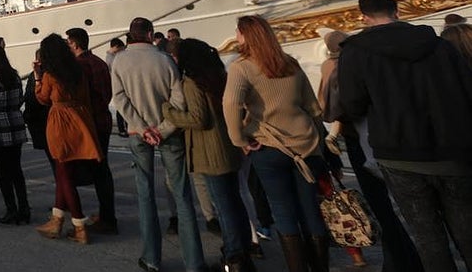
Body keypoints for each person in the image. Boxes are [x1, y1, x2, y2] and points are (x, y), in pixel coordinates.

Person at [339, 0, 472, 272]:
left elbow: (352, 104)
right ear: (397, 11)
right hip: (451, 149)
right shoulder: (438, 45)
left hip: (398, 152)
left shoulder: (355, 52)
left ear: (363, 17)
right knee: (467, 231)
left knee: (428, 238)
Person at [223, 15, 330, 272]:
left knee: (283, 212)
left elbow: (230, 104)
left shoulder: (242, 67)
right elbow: (313, 107)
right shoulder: (289, 63)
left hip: (268, 146)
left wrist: (240, 140)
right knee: (310, 211)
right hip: (305, 145)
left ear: (245, 36)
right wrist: (321, 146)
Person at [320, 29, 422, 272]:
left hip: (360, 142)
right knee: (407, 203)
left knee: (381, 206)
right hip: (394, 137)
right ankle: (405, 257)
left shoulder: (333, 67)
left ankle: (399, 259)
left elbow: (330, 109)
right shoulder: (374, 61)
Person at [112, 17, 207, 272]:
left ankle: (152, 258)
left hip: (137, 133)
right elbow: (179, 102)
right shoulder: (165, 60)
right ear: (151, 34)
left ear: (130, 35)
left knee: (145, 195)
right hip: (169, 133)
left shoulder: (119, 61)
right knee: (182, 195)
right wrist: (162, 130)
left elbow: (120, 99)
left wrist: (143, 129)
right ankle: (195, 263)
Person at [164, 39, 254, 272]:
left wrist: (168, 111)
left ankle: (234, 258)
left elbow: (197, 119)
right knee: (234, 202)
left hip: (210, 152)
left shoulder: (193, 84)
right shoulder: (219, 75)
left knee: (224, 206)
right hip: (228, 146)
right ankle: (244, 249)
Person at [32, 33, 102, 245]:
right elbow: (87, 97)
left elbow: (43, 98)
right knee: (65, 173)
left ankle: (79, 226)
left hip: (60, 123)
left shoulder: (50, 75)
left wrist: (37, 77)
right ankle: (57, 220)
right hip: (80, 120)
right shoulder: (78, 70)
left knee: (64, 174)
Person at [65, 27, 117, 234]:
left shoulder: (79, 66)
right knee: (103, 169)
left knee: (95, 171)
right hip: (103, 119)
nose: (68, 47)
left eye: (69, 43)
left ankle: (105, 219)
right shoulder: (100, 63)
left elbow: (76, 97)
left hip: (89, 123)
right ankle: (106, 214)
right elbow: (108, 92)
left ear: (75, 44)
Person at [0, 44, 30, 226]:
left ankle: (11, 210)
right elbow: (20, 99)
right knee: (17, 171)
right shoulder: (15, 76)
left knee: (3, 173)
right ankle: (24, 208)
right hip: (16, 128)